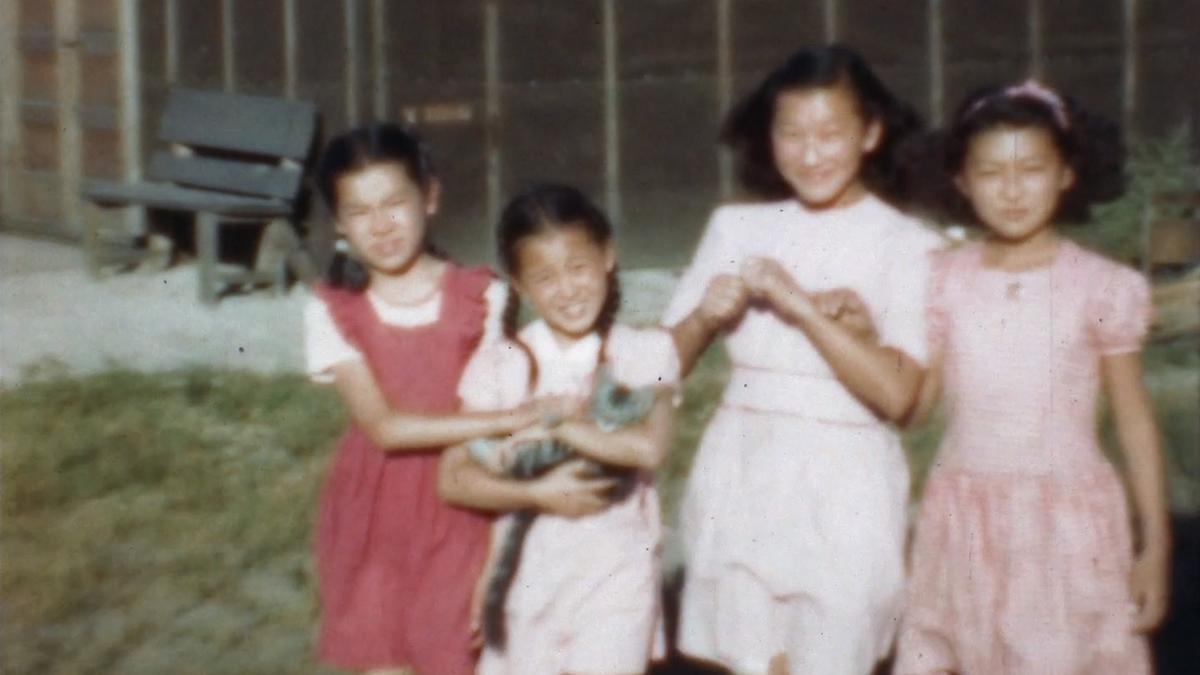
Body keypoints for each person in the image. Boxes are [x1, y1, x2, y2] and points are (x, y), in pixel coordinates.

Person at [663, 44, 943, 674]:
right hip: (743, 465)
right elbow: (653, 372)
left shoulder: (908, 245)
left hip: (846, 484)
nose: (809, 154)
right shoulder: (734, 227)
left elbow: (899, 397)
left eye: (829, 134)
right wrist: (704, 317)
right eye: (791, 133)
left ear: (870, 132)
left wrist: (804, 310)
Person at [894, 80, 1170, 674]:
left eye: (1032, 169)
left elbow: (1134, 420)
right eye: (991, 173)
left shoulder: (1100, 286)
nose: (1013, 191)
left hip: (1066, 525)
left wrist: (1157, 545)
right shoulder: (942, 279)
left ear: (1067, 174)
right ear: (961, 183)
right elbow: (916, 406)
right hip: (964, 518)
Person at [304, 124, 591, 675]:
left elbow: (499, 426)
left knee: (450, 655)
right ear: (340, 224)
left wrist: (495, 559)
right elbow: (384, 428)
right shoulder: (334, 310)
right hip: (372, 513)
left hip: (462, 498)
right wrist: (509, 416)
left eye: (394, 203)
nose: (382, 225)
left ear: (429, 197)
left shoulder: (482, 297)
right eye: (360, 212)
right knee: (381, 660)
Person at [439, 183, 679, 675]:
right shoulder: (503, 362)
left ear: (608, 256)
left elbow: (649, 448)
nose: (568, 289)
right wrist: (539, 494)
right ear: (521, 287)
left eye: (578, 267)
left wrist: (561, 425)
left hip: (616, 574)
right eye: (546, 277)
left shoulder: (644, 352)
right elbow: (453, 476)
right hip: (527, 576)